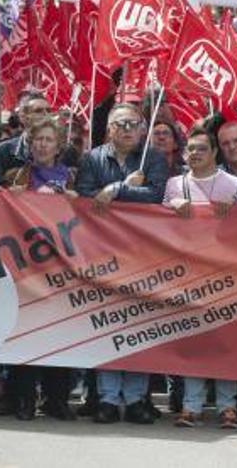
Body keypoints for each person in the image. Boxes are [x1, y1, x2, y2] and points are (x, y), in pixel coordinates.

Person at [76, 102, 169, 425]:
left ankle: (135, 399)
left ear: (142, 129)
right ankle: (106, 398)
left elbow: (155, 196)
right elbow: (87, 198)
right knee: (108, 327)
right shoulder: (92, 158)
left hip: (142, 254)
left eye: (133, 123)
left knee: (138, 328)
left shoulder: (153, 158)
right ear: (109, 129)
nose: (128, 129)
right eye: (121, 124)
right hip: (102, 254)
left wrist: (117, 189)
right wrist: (126, 190)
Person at [163, 127, 237, 430]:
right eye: (190, 149)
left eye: (201, 149)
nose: (194, 154)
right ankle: (191, 406)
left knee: (225, 343)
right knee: (194, 342)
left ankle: (227, 406)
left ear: (214, 153)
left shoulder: (234, 184)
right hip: (188, 274)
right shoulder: (175, 184)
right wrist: (171, 205)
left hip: (225, 273)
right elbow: (155, 223)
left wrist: (235, 212)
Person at [6, 116, 78, 421]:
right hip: (27, 265)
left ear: (58, 145)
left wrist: (78, 201)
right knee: (27, 333)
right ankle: (23, 399)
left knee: (59, 333)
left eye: (49, 140)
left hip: (62, 264)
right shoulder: (16, 175)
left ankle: (56, 398)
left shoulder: (71, 178)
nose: (43, 144)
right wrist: (10, 196)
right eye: (38, 139)